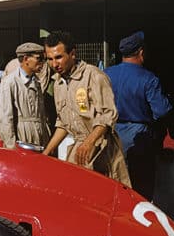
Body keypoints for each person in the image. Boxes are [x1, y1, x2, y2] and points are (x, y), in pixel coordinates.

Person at [41, 31, 131, 185]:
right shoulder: (58, 84)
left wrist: (89, 143)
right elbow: (63, 123)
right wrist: (46, 152)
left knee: (106, 196)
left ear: (73, 54)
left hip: (102, 148)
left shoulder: (94, 76)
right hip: (79, 150)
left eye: (59, 57)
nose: (54, 64)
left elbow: (108, 115)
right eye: (50, 59)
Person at [105, 31, 172, 199]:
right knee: (141, 190)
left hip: (111, 136)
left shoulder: (106, 74)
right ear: (141, 52)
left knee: (115, 185)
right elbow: (162, 111)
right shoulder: (148, 78)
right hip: (139, 137)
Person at [0, 43, 50, 148]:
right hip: (22, 137)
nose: (42, 63)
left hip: (39, 136)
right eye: (39, 59)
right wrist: (10, 146)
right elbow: (5, 118)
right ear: (26, 59)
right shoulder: (10, 82)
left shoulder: (36, 81)